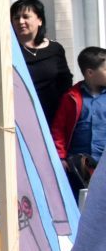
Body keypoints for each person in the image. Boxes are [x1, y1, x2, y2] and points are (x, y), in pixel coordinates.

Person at [50, 47, 106, 196]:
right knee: (81, 202)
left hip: (103, 163)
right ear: (90, 73)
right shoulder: (71, 97)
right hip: (78, 167)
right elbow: (58, 130)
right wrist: (61, 157)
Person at [11, 0, 72, 124]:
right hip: (19, 118)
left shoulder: (55, 49)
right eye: (16, 18)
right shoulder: (7, 51)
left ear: (39, 20)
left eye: (26, 17)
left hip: (52, 117)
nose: (20, 21)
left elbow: (65, 82)